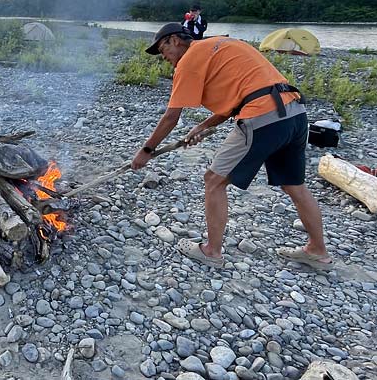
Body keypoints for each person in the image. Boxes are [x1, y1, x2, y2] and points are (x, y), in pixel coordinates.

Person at [131, 23, 332, 270]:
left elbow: (171, 116)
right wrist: (201, 126)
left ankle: (211, 252)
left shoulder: (189, 59)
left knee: (214, 180)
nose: (164, 57)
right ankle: (317, 252)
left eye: (162, 48)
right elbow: (244, 95)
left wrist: (146, 151)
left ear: (174, 40)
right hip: (295, 114)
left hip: (263, 117)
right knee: (295, 186)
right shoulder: (223, 44)